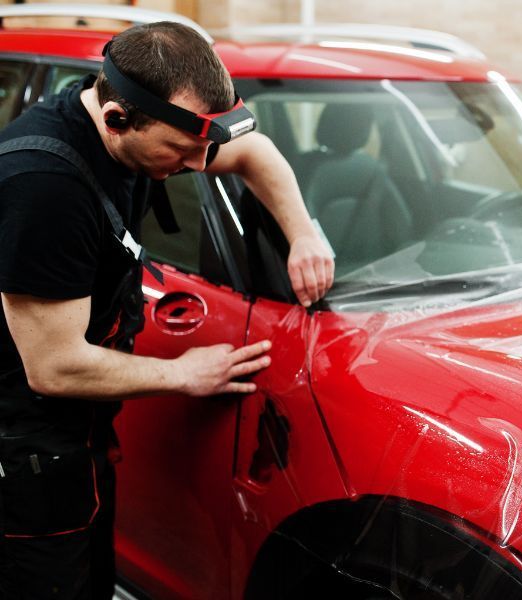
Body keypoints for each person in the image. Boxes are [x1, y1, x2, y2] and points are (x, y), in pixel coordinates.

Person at [0, 22, 333, 599]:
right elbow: (52, 366)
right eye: (182, 154)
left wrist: (304, 233)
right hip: (25, 448)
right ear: (117, 120)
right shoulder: (43, 188)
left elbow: (252, 150)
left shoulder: (139, 120)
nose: (202, 167)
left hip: (79, 436)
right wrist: (186, 373)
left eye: (205, 148)